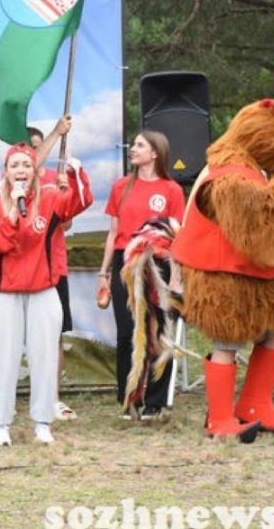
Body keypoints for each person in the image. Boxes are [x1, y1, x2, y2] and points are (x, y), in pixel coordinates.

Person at [0, 137, 91, 447]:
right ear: (6, 171)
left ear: (35, 170)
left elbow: (81, 201)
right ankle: (0, 425)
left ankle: (43, 423)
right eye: (15, 165)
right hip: (4, 293)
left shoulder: (51, 199)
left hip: (43, 289)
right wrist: (15, 211)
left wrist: (74, 172)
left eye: (27, 165)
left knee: (44, 357)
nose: (21, 170)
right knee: (5, 358)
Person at [97, 131, 185, 419]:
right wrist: (103, 272)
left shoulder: (171, 189)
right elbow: (112, 233)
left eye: (139, 145)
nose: (132, 149)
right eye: (133, 145)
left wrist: (176, 277)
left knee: (159, 333)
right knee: (127, 334)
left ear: (155, 153)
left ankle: (155, 401)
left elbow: (176, 236)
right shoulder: (121, 186)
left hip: (158, 264)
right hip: (126, 265)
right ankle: (128, 397)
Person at [27, 123, 78, 422]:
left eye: (39, 144)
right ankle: (34, 397)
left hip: (54, 266)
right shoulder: (17, 178)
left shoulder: (54, 179)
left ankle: (53, 399)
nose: (37, 150)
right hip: (24, 272)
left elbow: (67, 224)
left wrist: (62, 196)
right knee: (27, 336)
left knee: (54, 336)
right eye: (33, 146)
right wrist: (57, 133)